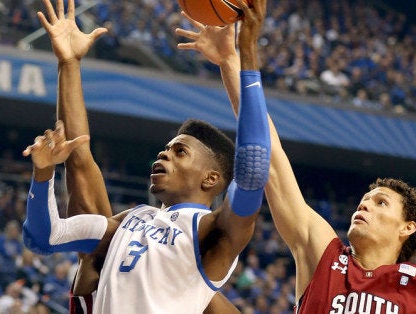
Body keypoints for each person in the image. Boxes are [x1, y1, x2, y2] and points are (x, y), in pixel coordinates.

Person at [176, 14, 416, 314]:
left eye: (380, 203)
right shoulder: (323, 252)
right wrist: (231, 61)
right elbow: (268, 153)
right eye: (365, 201)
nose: (364, 206)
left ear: (407, 227)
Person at [21, 0, 270, 313]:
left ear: (211, 178)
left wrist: (246, 53)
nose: (164, 154)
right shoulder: (131, 221)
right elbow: (44, 237)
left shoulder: (211, 231)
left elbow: (253, 171)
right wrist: (43, 174)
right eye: (166, 148)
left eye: (180, 152)